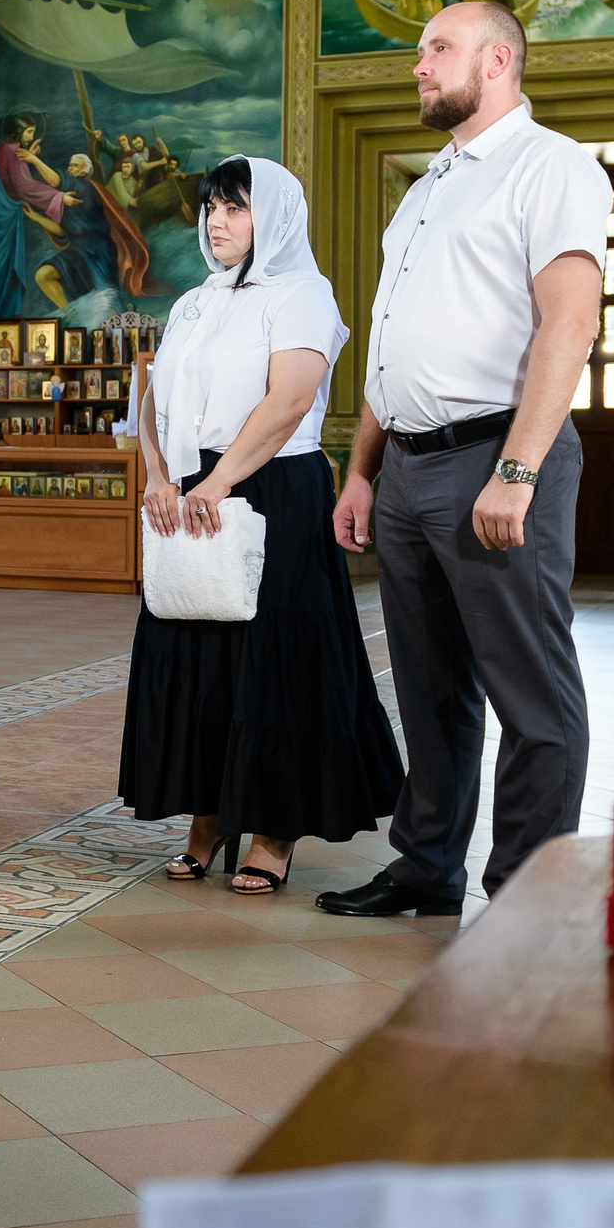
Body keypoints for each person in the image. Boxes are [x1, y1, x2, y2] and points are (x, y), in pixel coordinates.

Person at [325, 2, 613, 917]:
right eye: (419, 51)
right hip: (408, 466)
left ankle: (529, 898)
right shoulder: (426, 189)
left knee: (531, 691)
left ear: (497, 61)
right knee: (429, 687)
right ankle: (426, 867)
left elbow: (571, 322)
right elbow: (392, 343)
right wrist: (363, 469)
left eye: (437, 49)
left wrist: (518, 471)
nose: (418, 66)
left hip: (496, 454)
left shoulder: (551, 166)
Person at [121, 157, 405, 894]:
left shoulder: (303, 293)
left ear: (273, 217)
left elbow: (289, 401)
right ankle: (209, 819)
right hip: (190, 487)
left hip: (273, 487)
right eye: (211, 208)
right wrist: (158, 476)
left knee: (274, 661)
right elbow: (152, 397)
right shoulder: (194, 302)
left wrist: (219, 482)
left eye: (235, 208)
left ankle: (274, 832)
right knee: (200, 657)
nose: (216, 222)